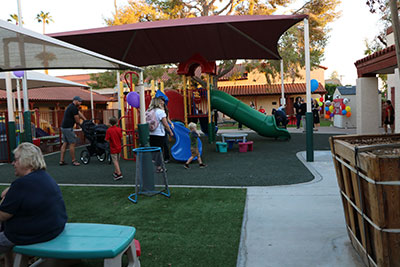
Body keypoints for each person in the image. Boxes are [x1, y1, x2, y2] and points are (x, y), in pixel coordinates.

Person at [0, 142, 67, 266]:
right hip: (53, 229)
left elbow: (2, 215)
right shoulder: (45, 177)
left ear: (27, 162)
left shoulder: (20, 185)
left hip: (31, 235)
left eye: (16, 160)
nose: (13, 164)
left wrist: (4, 200)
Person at [148, 97, 174, 172]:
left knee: (153, 150)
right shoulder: (160, 112)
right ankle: (159, 167)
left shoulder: (149, 111)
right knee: (159, 150)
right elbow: (165, 124)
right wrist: (170, 132)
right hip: (159, 133)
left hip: (150, 133)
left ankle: (154, 165)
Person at [59, 96, 87, 166]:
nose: (80, 103)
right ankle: (74, 161)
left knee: (65, 143)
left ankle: (61, 161)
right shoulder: (73, 108)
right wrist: (82, 126)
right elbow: (77, 120)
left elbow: (79, 113)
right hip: (68, 128)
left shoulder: (71, 106)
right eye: (79, 101)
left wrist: (86, 120)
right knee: (72, 143)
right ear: (76, 101)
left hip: (63, 127)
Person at [162, 98, 174, 164]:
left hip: (165, 128)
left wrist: (171, 123)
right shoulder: (158, 110)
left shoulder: (166, 110)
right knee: (161, 144)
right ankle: (161, 158)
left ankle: (167, 158)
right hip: (160, 128)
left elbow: (168, 119)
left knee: (165, 144)